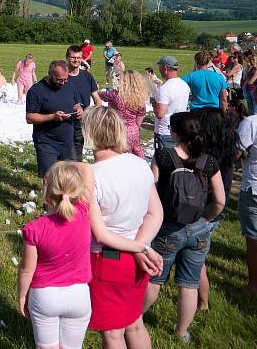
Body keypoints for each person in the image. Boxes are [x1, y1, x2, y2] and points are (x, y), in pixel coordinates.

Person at [18, 161, 152, 349]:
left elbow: (26, 269)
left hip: (45, 295)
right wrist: (61, 164)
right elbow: (87, 168)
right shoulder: (83, 212)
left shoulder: (34, 229)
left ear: (46, 190)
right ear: (78, 190)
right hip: (79, 296)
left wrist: (23, 296)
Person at [81, 106, 163, 349]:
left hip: (107, 260)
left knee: (112, 333)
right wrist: (142, 247)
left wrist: (139, 248)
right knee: (135, 323)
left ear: (89, 133)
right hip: (137, 261)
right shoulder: (138, 163)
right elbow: (155, 213)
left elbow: (100, 233)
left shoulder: (92, 174)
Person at [143, 112, 225, 343]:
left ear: (175, 133)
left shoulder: (163, 156)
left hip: (168, 228)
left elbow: (150, 191)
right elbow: (220, 201)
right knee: (189, 283)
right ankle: (182, 333)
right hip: (198, 229)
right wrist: (207, 220)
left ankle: (135, 319)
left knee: (155, 278)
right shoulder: (209, 162)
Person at [193, 107, 238, 310]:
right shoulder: (227, 151)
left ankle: (202, 303)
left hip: (201, 213)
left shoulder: (203, 157)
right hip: (215, 212)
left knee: (196, 262)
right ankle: (202, 302)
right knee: (199, 259)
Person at [26, 60, 84, 177]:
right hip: (46, 142)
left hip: (67, 141)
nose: (63, 83)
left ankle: (66, 196)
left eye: (65, 79)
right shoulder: (36, 90)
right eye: (59, 80)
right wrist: (53, 117)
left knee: (70, 177)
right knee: (50, 177)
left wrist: (78, 109)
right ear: (50, 74)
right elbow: (30, 117)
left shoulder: (69, 85)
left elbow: (75, 103)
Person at [98, 70, 148, 158]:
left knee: (118, 156)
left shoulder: (115, 96)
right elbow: (139, 120)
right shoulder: (140, 99)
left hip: (118, 129)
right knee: (135, 155)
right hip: (134, 131)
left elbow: (99, 94)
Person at [66, 45, 102, 159]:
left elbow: (97, 100)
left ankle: (76, 171)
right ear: (67, 57)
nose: (76, 60)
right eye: (73, 57)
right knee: (66, 151)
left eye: (78, 57)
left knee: (77, 150)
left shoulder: (87, 76)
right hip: (64, 121)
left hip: (82, 121)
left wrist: (94, 116)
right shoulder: (61, 76)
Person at [151, 56, 191, 152]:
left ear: (165, 68)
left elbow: (160, 114)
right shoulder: (184, 85)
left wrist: (153, 103)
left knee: (164, 163)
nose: (159, 70)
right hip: (180, 129)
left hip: (165, 131)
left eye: (160, 67)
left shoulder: (165, 88)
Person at [237, 109, 257, 291]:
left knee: (253, 239)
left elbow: (236, 153)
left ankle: (253, 283)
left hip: (253, 188)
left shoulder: (251, 123)